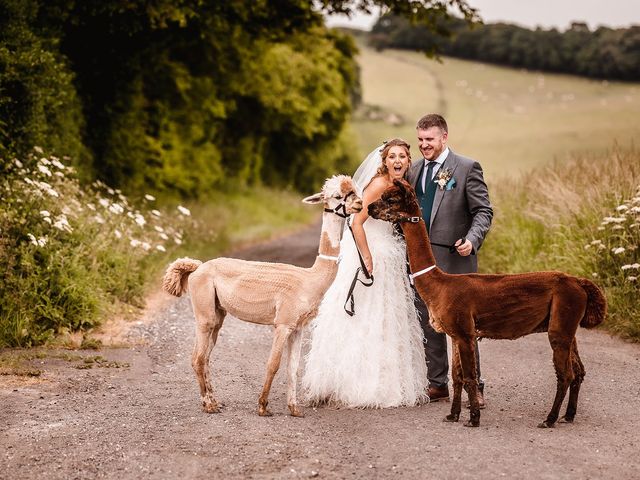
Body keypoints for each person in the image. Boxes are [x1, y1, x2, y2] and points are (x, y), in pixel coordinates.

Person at [303, 139, 429, 408]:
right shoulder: (379, 184)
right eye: (392, 156)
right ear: (384, 161)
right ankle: (351, 383)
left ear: (408, 161)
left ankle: (383, 383)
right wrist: (366, 257)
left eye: (402, 157)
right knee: (364, 315)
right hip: (370, 253)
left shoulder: (400, 185)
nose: (397, 161)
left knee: (386, 318)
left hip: (390, 256)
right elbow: (356, 222)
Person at [408, 114, 493, 406]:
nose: (423, 145)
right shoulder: (413, 170)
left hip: (456, 263)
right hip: (422, 267)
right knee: (428, 323)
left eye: (429, 139)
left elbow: (484, 212)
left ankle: (473, 386)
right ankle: (438, 384)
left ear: (444, 137)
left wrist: (472, 239)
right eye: (420, 140)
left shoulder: (467, 167)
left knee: (463, 328)